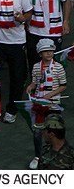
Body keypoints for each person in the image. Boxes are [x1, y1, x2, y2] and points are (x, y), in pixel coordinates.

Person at [26, 39, 68, 169]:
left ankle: (59, 154)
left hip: (54, 104)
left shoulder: (58, 67)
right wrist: (30, 87)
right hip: (39, 103)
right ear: (40, 54)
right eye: (45, 51)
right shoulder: (36, 67)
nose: (49, 53)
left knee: (56, 131)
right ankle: (38, 156)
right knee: (37, 132)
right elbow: (35, 82)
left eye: (51, 51)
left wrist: (50, 95)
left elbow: (63, 85)